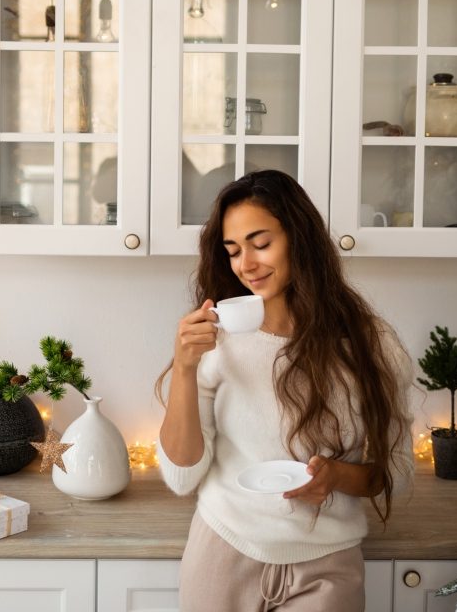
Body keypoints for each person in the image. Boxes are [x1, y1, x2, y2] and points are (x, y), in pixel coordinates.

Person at [156, 170, 414, 612]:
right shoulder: (216, 340)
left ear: (299, 237)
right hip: (224, 549)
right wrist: (184, 367)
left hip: (327, 566)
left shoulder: (372, 344)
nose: (246, 264)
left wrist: (337, 477)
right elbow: (182, 477)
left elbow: (397, 473)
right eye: (234, 250)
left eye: (261, 243)